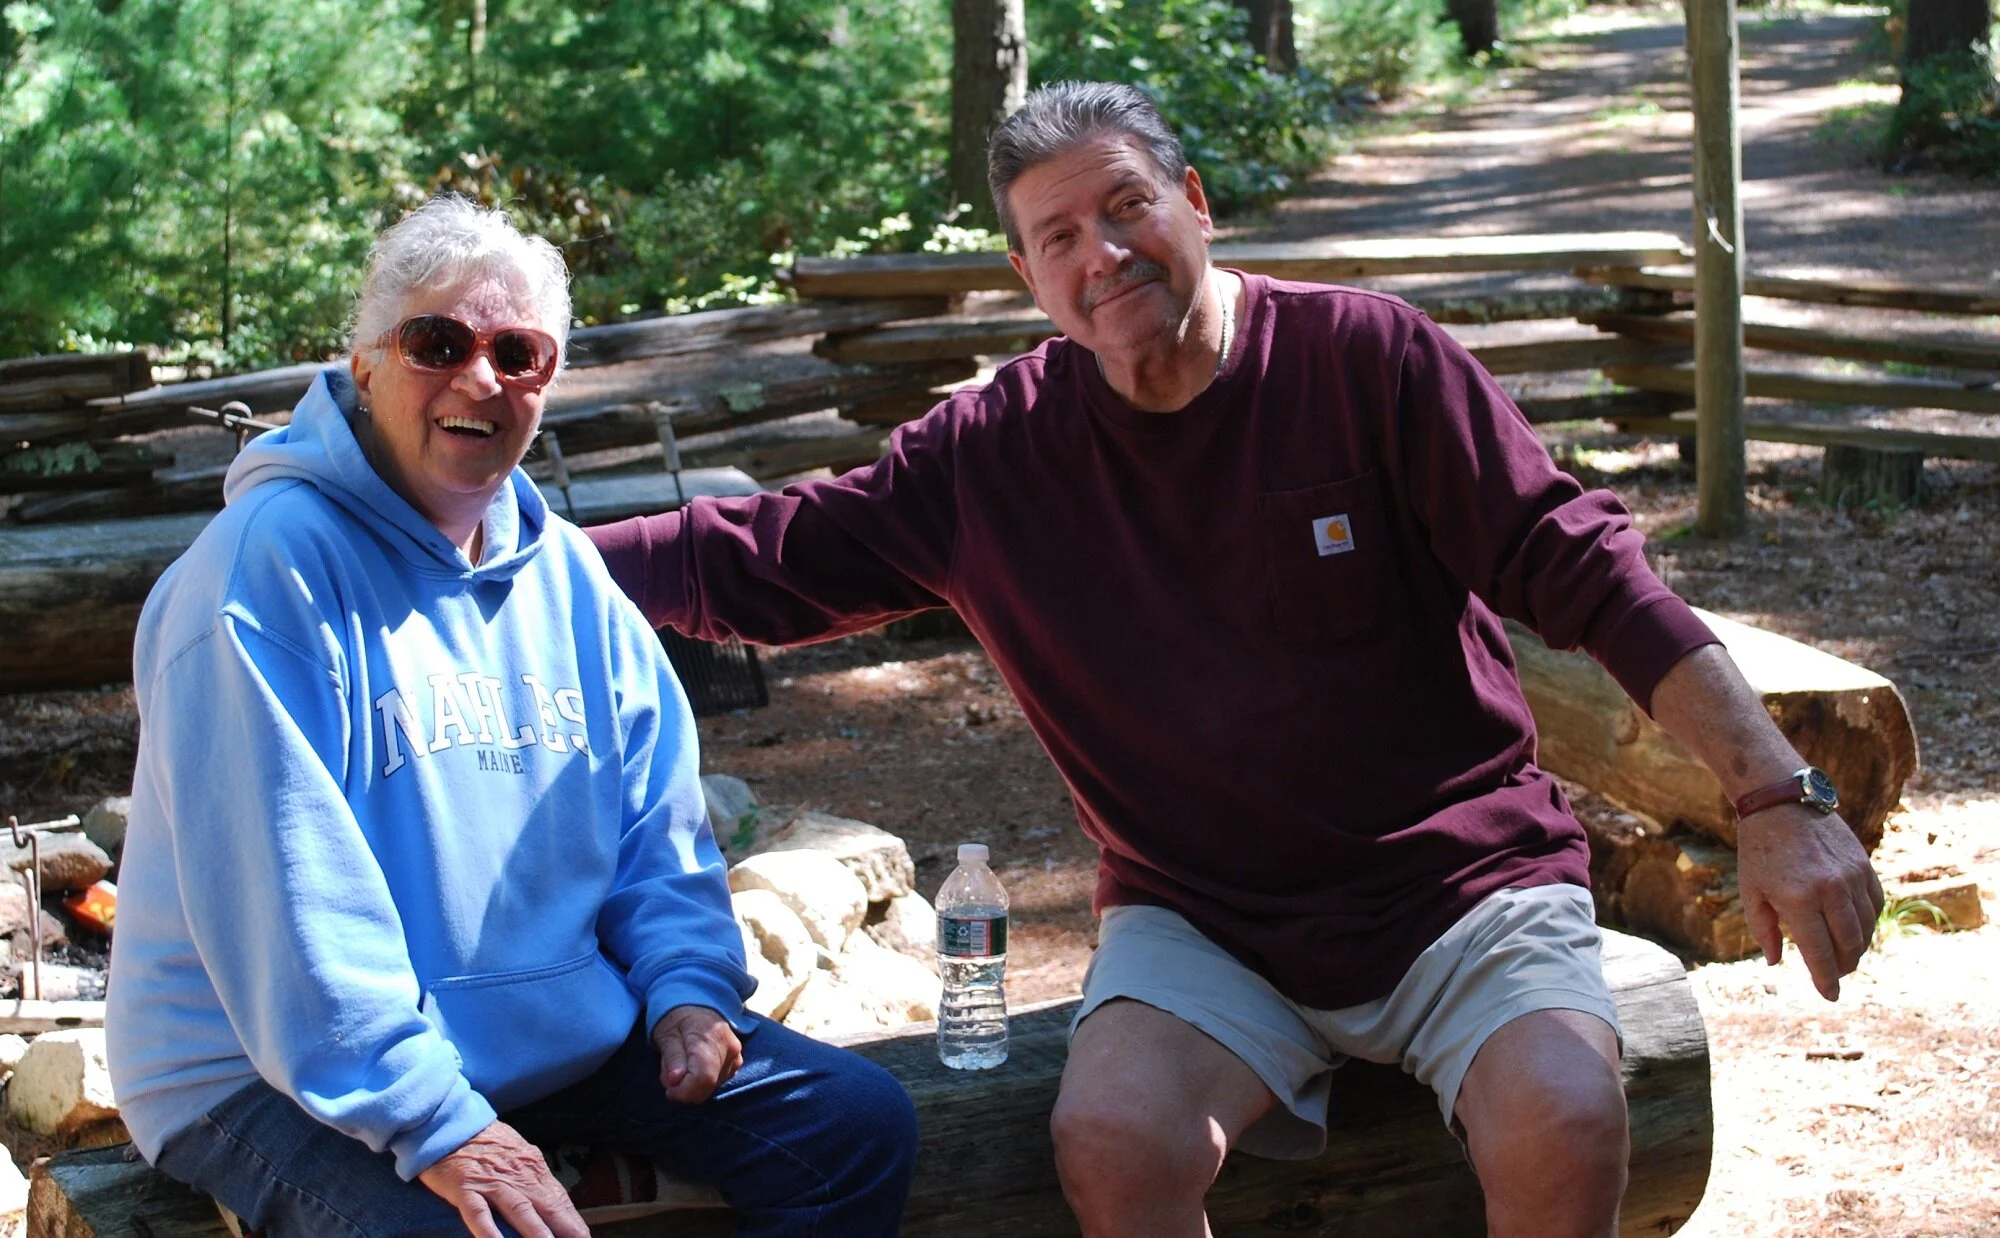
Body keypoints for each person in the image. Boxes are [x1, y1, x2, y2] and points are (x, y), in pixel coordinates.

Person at [585, 82, 1884, 1237]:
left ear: (1194, 203)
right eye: (1058, 238)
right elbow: (759, 549)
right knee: (1114, 1139)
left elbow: (1587, 565)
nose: (1102, 253)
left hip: (1461, 887)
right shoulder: (989, 458)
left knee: (1567, 1112)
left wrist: (1776, 796)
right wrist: (520, 555)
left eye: (1126, 206)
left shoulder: (1366, 361)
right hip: (1202, 918)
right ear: (1033, 279)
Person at [105, 196, 918, 1238]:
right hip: (266, 1069)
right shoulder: (262, 577)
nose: (478, 378)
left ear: (547, 383)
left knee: (853, 1127)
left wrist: (684, 987)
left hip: (536, 1038)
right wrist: (440, 1124)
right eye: (437, 342)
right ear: (364, 367)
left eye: (517, 353)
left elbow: (654, 832)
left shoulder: (572, 579)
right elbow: (294, 914)